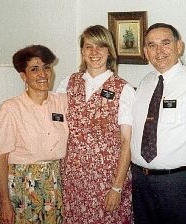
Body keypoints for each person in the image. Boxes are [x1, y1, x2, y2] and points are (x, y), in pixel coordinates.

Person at [131, 23, 186, 224]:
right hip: (141, 184)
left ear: (179, 46)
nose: (159, 51)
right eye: (152, 45)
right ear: (145, 52)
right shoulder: (144, 83)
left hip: (181, 185)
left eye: (165, 43)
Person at [58, 25, 135, 223]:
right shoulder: (68, 83)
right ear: (82, 51)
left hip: (107, 179)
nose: (94, 52)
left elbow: (127, 141)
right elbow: (52, 123)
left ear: (109, 51)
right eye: (88, 47)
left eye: (100, 47)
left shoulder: (123, 89)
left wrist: (117, 187)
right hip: (72, 178)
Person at [0, 45, 69, 224]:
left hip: (54, 184)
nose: (43, 74)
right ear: (23, 76)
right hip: (21, 187)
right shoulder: (11, 108)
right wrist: (5, 201)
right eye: (34, 69)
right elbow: (1, 157)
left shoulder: (62, 102)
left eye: (46, 67)